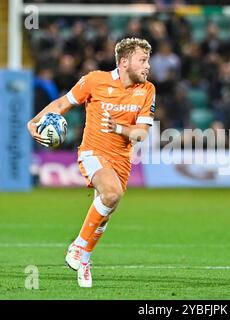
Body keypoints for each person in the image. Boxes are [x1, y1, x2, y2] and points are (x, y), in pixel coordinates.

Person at [27, 38, 156, 288]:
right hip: (92, 152)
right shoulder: (95, 80)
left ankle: (84, 256)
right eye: (143, 60)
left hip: (121, 160)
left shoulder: (147, 90)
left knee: (105, 211)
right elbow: (62, 104)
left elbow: (141, 134)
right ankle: (77, 247)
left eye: (148, 60)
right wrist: (32, 123)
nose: (147, 66)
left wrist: (118, 128)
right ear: (124, 62)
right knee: (111, 193)